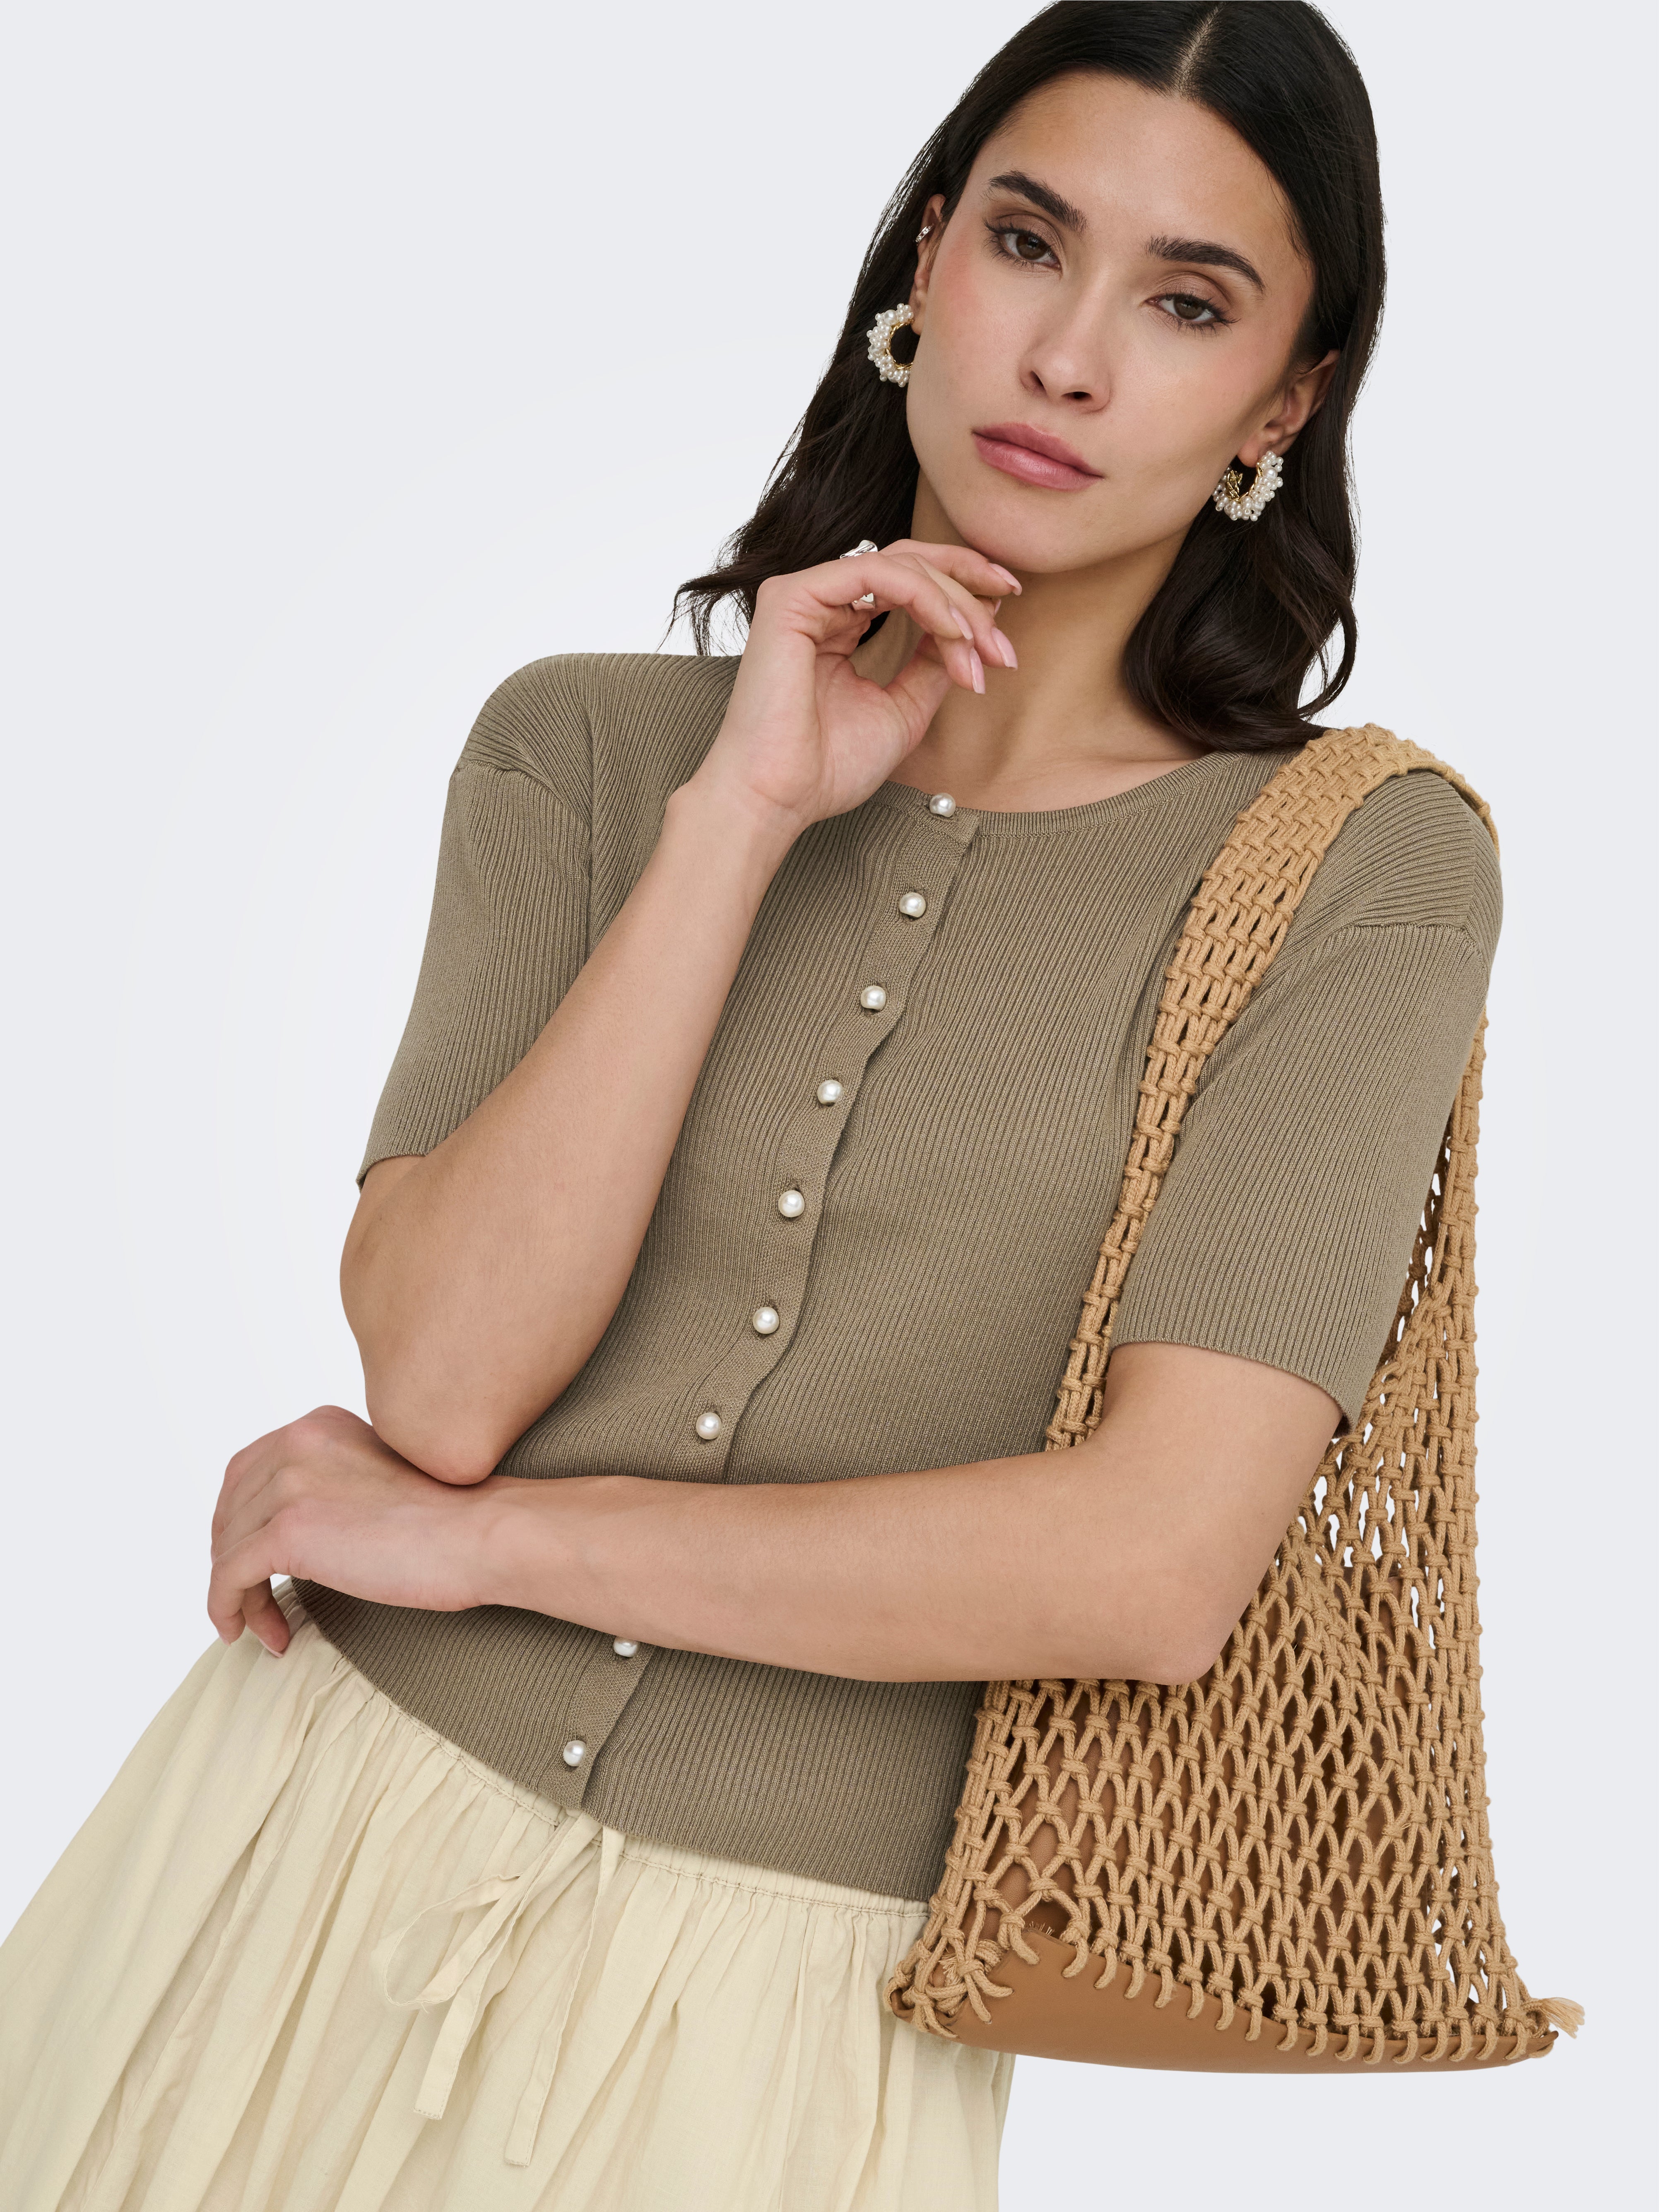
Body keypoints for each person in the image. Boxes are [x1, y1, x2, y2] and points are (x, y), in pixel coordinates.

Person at [0, 4, 1502, 2207]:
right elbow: (442, 1382)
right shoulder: (592, 750)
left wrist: (487, 1549)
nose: (1067, 358)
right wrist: (742, 818)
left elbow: (1147, 1565)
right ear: (925, 261)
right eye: (1027, 244)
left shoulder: (1357, 875)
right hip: (277, 1863)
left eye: (1186, 304)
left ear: (1287, 398)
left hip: (781, 2021)